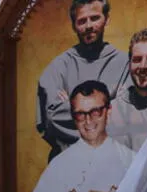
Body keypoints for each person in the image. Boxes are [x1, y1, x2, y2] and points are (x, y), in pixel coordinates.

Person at [36, 0, 129, 162]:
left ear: (106, 19)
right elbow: (52, 118)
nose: (88, 26)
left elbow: (128, 116)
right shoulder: (58, 67)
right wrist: (110, 107)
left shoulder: (126, 64)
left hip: (112, 162)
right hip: (68, 162)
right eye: (81, 21)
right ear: (73, 26)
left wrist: (71, 106)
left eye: (94, 18)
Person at [28, 80, 135, 192]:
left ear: (108, 111)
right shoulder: (59, 165)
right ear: (73, 117)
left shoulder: (130, 161)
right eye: (80, 114)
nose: (88, 121)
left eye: (95, 112)